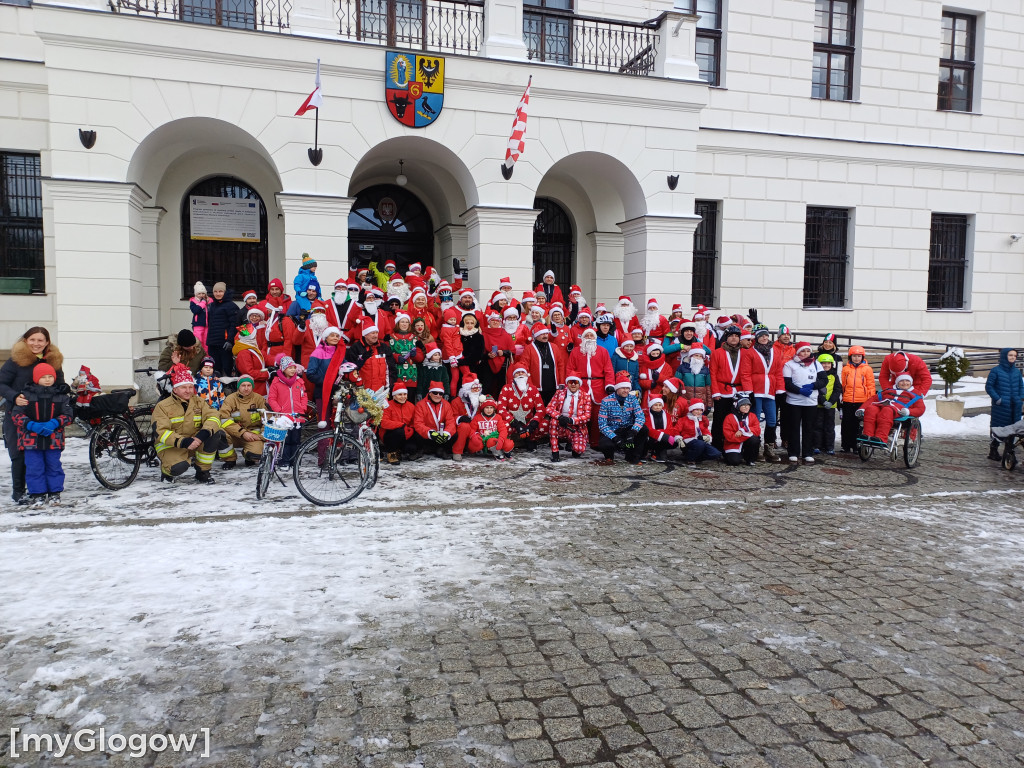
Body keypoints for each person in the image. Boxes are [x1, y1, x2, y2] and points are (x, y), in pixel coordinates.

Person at [0, 326, 65, 503]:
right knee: (19, 454)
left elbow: (60, 386)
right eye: (32, 340)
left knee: (47, 457)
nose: (36, 344)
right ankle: (19, 492)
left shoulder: (53, 361)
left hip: (46, 418)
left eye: (40, 340)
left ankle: (44, 490)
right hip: (19, 415)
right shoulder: (15, 361)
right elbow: (2, 384)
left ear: (47, 343)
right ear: (26, 340)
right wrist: (14, 397)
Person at [153, 363, 228, 484]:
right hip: (173, 445)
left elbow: (214, 416)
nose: (188, 391)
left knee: (215, 433)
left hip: (196, 441)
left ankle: (203, 471)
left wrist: (202, 435)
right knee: (178, 468)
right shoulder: (162, 406)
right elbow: (160, 432)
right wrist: (184, 442)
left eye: (190, 387)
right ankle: (166, 471)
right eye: (183, 387)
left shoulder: (199, 401)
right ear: (175, 389)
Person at [11, 363, 73, 506]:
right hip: (30, 440)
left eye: (50, 376)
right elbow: (16, 415)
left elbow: (68, 415)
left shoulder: (60, 396)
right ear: (35, 378)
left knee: (54, 466)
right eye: (43, 377)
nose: (47, 380)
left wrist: (55, 423)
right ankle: (37, 493)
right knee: (34, 467)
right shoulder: (26, 395)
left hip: (53, 440)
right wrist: (31, 424)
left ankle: (54, 493)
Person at [741, 324, 783, 462]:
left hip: (770, 390)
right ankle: (756, 447)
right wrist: (749, 391)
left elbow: (778, 372)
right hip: (756, 390)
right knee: (755, 420)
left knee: (772, 420)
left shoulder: (775, 351)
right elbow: (745, 373)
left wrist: (780, 390)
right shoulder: (750, 352)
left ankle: (769, 447)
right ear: (756, 338)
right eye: (761, 336)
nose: (764, 338)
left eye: (766, 335)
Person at [567, 327, 615, 447]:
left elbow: (609, 370)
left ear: (595, 338)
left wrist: (609, 385)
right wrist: (573, 384)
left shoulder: (603, 351)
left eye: (591, 336)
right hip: (581, 386)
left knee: (597, 416)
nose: (589, 338)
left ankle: (595, 441)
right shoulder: (576, 351)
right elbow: (570, 369)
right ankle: (576, 440)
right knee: (578, 414)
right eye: (587, 336)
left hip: (598, 387)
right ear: (583, 338)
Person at [782, 341, 825, 464]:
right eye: (803, 351)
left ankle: (807, 452)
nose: (806, 353)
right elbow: (787, 383)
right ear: (797, 352)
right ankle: (793, 452)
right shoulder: (789, 365)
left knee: (809, 427)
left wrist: (813, 385)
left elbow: (823, 380)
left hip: (810, 402)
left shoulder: (816, 364)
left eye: (808, 351)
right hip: (794, 401)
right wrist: (800, 390)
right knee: (794, 427)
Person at [596, 371, 647, 466]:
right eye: (623, 388)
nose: (626, 390)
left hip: (628, 428)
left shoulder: (633, 399)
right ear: (617, 389)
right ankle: (609, 456)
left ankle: (633, 456)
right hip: (613, 430)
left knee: (643, 430)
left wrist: (633, 431)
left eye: (628, 388)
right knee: (605, 444)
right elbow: (602, 424)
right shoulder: (606, 401)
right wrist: (614, 437)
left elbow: (640, 416)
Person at [861, 373, 925, 445]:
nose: (904, 383)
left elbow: (920, 409)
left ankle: (881, 438)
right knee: (871, 409)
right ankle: (867, 435)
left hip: (899, 411)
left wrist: (908, 411)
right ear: (897, 382)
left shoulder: (915, 394)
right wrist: (862, 408)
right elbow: (873, 399)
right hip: (882, 406)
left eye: (907, 381)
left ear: (911, 382)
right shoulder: (889, 390)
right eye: (902, 381)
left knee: (887, 410)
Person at [219, 374, 267, 469]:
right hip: (235, 434)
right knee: (219, 434)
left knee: (255, 455)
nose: (246, 388)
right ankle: (230, 460)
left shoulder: (259, 399)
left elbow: (268, 419)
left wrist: (261, 436)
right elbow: (224, 419)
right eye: (243, 385)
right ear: (238, 387)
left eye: (249, 385)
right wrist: (242, 433)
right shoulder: (230, 399)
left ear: (252, 386)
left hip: (254, 435)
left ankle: (248, 456)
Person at [267, 355, 308, 467]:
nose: (293, 370)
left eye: (294, 367)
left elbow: (303, 396)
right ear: (283, 369)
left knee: (296, 439)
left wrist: (303, 407)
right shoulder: (276, 382)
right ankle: (284, 460)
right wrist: (278, 410)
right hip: (284, 417)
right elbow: (271, 398)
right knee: (285, 439)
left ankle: (294, 460)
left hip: (297, 416)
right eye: (290, 368)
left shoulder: (299, 382)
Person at [709, 324, 744, 451]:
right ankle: (717, 444)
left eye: (736, 336)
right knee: (719, 419)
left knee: (736, 418)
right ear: (726, 338)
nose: (734, 338)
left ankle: (732, 444)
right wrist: (715, 392)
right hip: (722, 390)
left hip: (739, 391)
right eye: (731, 336)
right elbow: (712, 373)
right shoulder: (717, 353)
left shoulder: (744, 352)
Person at [985, 348, 1023, 461]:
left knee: (1013, 430)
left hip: (1015, 407)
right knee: (999, 429)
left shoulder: (1016, 372)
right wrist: (998, 399)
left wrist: (1021, 397)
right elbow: (989, 387)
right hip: (1001, 407)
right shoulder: (995, 371)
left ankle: (1008, 453)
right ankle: (993, 450)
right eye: (1010, 355)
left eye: (1015, 356)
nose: (1013, 357)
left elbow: (1021, 386)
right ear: (1004, 356)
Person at [498, 364, 547, 450]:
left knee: (545, 424)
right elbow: (501, 408)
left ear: (527, 375)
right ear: (513, 376)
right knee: (504, 426)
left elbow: (541, 409)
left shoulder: (533, 389)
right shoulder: (506, 388)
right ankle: (511, 441)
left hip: (528, 422)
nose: (520, 374)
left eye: (522, 372)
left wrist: (533, 424)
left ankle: (531, 439)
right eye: (517, 373)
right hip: (512, 423)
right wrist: (513, 422)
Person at [515, 323, 567, 404]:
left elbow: (560, 365)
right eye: (542, 334)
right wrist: (530, 384)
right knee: (538, 410)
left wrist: (561, 382)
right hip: (537, 386)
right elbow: (524, 367)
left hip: (553, 385)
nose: (545, 336)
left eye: (546, 333)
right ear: (536, 336)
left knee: (551, 409)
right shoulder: (529, 349)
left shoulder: (554, 347)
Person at [546, 374, 591, 462]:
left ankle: (572, 444)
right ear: (567, 383)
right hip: (561, 424)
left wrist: (572, 420)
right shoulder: (559, 393)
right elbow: (549, 408)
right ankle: (555, 452)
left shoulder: (585, 396)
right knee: (553, 421)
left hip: (575, 426)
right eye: (571, 382)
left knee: (579, 449)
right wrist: (559, 417)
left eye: (576, 382)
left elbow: (587, 416)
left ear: (579, 384)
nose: (573, 385)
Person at [840, 345, 875, 453]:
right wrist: (841, 396)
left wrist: (870, 400)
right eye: (854, 356)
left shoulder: (867, 369)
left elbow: (871, 385)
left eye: (859, 356)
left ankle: (856, 445)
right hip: (847, 400)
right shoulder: (845, 369)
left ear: (862, 357)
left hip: (861, 401)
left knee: (857, 424)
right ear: (850, 357)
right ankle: (845, 445)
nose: (856, 358)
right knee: (846, 423)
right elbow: (842, 384)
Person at [414, 381, 458, 458]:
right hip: (427, 436)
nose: (438, 395)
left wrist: (446, 433)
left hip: (440, 436)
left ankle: (441, 450)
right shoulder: (420, 405)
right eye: (435, 393)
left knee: (454, 434)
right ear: (430, 393)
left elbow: (450, 422)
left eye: (440, 393)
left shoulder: (446, 405)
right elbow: (418, 424)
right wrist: (430, 433)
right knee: (417, 433)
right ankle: (421, 449)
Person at [462, 396, 513, 461]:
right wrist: (474, 436)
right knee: (477, 444)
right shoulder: (477, 417)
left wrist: (501, 440)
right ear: (483, 408)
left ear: (494, 409)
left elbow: (503, 429)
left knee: (508, 444)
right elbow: (472, 429)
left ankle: (505, 452)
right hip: (483, 439)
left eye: (491, 408)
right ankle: (495, 453)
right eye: (487, 408)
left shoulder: (498, 417)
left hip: (495, 439)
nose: (489, 410)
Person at [206, 282, 241, 376]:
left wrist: (230, 340)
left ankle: (227, 387)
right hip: (213, 343)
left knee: (226, 367)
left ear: (225, 292)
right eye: (215, 291)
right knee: (215, 368)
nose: (218, 294)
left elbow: (234, 325)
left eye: (220, 291)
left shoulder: (231, 306)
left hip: (224, 343)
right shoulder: (212, 305)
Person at [379, 380, 418, 464]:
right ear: (394, 396)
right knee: (398, 431)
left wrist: (411, 429)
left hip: (406, 433)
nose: (403, 397)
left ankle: (399, 450)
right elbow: (383, 422)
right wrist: (401, 425)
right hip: (390, 434)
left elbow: (414, 421)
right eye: (400, 394)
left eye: (405, 394)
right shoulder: (387, 405)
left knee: (412, 448)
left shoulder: (411, 406)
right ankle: (391, 453)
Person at [480, 310, 515, 398]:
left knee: (501, 387)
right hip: (487, 366)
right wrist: (488, 355)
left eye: (497, 320)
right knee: (487, 387)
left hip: (503, 366)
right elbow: (479, 353)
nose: (495, 322)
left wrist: (503, 352)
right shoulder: (483, 334)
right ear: (489, 321)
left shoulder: (506, 334)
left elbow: (512, 351)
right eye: (493, 320)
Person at [675, 398, 721, 466]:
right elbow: (676, 430)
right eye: (697, 410)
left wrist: (708, 437)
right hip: (688, 441)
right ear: (692, 409)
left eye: (700, 410)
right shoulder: (683, 420)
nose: (699, 412)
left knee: (716, 453)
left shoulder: (703, 420)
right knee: (700, 444)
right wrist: (679, 439)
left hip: (700, 441)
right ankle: (690, 458)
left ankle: (695, 457)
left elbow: (705, 430)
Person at [773, 324, 797, 448]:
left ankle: (785, 438)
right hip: (774, 385)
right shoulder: (772, 348)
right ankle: (772, 439)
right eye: (784, 334)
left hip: (788, 386)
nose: (786, 337)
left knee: (786, 415)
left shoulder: (793, 350)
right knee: (772, 413)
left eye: (788, 334)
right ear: (779, 336)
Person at [233, 323, 271, 396]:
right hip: (254, 390)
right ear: (251, 337)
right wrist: (267, 374)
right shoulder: (244, 353)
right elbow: (249, 373)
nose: (256, 336)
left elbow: (264, 357)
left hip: (261, 387)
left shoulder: (251, 348)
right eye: (255, 335)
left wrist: (279, 361)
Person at [722, 396, 762, 466]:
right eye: (743, 405)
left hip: (746, 442)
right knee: (734, 462)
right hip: (733, 444)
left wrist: (743, 431)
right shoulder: (729, 417)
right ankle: (732, 455)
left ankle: (750, 459)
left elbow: (757, 430)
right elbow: (729, 436)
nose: (746, 407)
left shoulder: (752, 416)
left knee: (754, 440)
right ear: (737, 406)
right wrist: (747, 434)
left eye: (748, 405)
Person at [815, 353, 841, 455]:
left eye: (828, 363)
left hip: (830, 406)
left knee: (829, 427)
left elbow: (837, 390)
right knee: (817, 426)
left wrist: (831, 402)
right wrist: (823, 401)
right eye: (823, 363)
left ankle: (829, 446)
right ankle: (817, 445)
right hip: (819, 405)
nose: (826, 365)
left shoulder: (835, 376)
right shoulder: (816, 376)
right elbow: (816, 390)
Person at [677, 343, 713, 413]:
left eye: (700, 356)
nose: (698, 358)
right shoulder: (682, 368)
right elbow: (676, 385)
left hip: (700, 404)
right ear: (691, 356)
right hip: (685, 402)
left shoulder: (705, 370)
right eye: (696, 355)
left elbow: (708, 388)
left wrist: (709, 404)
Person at [645, 396, 679, 463]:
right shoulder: (646, 415)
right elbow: (648, 429)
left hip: (663, 438)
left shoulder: (667, 415)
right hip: (651, 438)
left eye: (660, 405)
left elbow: (670, 429)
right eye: (655, 405)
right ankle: (655, 453)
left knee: (674, 442)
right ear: (651, 406)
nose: (658, 407)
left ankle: (658, 453)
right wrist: (661, 435)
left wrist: (660, 433)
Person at [190, 282, 211, 351]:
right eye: (199, 293)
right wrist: (203, 302)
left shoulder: (210, 301)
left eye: (203, 293)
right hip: (198, 325)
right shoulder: (193, 301)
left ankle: (207, 357)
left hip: (208, 325)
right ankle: (198, 356)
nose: (201, 295)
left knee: (206, 342)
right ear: (196, 294)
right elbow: (196, 310)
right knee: (198, 341)